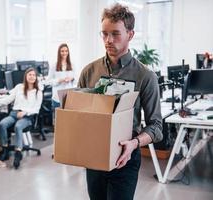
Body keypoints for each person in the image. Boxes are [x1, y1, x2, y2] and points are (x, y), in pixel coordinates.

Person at [78, 4, 163, 200]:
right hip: (94, 157)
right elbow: (79, 115)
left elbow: (156, 127)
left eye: (115, 34)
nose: (108, 40)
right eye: (104, 34)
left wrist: (134, 143)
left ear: (130, 35)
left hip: (126, 157)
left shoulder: (145, 76)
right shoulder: (89, 72)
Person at [0, 67, 43, 169]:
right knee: (2, 124)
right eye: (29, 75)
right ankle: (5, 148)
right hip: (14, 114)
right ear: (25, 76)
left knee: (18, 126)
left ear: (36, 78)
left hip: (27, 117)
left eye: (33, 75)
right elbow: (8, 98)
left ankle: (18, 153)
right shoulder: (19, 87)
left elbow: (37, 109)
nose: (31, 77)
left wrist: (25, 112)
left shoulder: (38, 92)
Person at [47, 43, 75, 109]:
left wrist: (71, 78)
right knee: (57, 118)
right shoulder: (54, 65)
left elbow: (76, 79)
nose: (64, 53)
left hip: (68, 96)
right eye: (62, 51)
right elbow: (48, 81)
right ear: (59, 52)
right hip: (57, 97)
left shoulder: (72, 65)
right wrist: (59, 80)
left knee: (67, 118)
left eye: (66, 51)